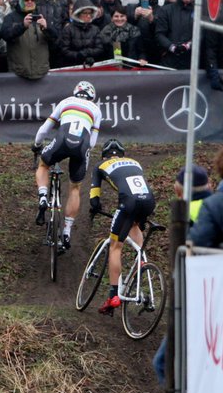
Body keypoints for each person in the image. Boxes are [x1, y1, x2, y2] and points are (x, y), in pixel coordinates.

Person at [88, 140, 157, 315]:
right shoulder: (135, 162)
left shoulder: (100, 165)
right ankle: (141, 261)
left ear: (104, 154)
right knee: (135, 225)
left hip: (129, 202)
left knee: (115, 246)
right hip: (148, 201)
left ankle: (113, 295)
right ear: (123, 154)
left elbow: (94, 197)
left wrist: (95, 208)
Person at [33, 80, 103, 251]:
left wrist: (37, 144)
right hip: (81, 147)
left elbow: (44, 129)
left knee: (43, 165)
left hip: (61, 141)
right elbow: (92, 142)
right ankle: (66, 231)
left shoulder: (65, 102)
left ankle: (43, 197)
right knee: (75, 188)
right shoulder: (96, 110)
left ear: (75, 92)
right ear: (92, 97)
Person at [0, 0, 54, 80]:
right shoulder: (11, 18)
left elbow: (55, 40)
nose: (30, 2)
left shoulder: (41, 17)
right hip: (18, 75)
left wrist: (47, 29)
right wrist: (22, 26)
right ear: (19, 0)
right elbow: (5, 35)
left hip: (41, 73)